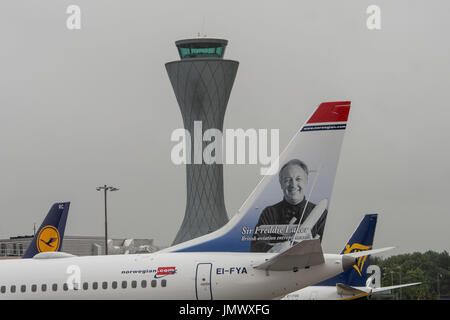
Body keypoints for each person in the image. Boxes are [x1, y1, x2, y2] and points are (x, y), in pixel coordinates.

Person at [250, 159, 327, 253]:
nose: (293, 184)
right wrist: (276, 248)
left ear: (306, 181)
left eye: (298, 179)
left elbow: (328, 249)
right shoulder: (269, 212)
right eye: (288, 180)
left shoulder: (321, 213)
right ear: (281, 183)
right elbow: (256, 247)